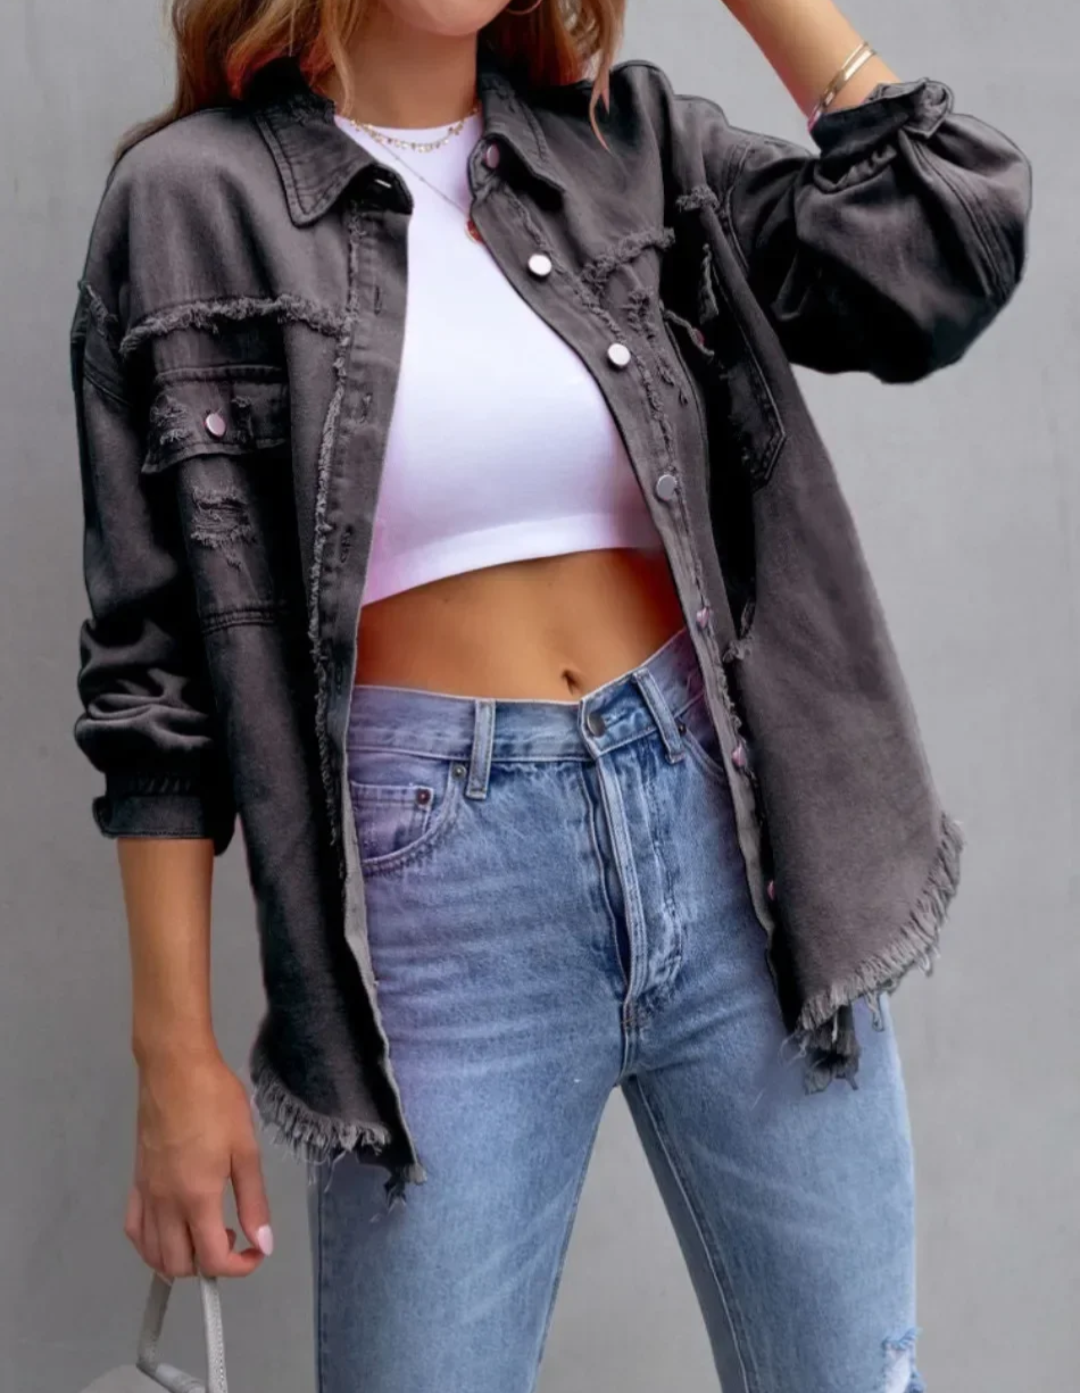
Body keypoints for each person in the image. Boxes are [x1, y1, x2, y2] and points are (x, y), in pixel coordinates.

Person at [68, 0, 1031, 1388]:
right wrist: (175, 1053)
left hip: (731, 851)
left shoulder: (628, 146)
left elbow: (946, 249)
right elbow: (154, 676)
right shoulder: (190, 202)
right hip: (440, 901)